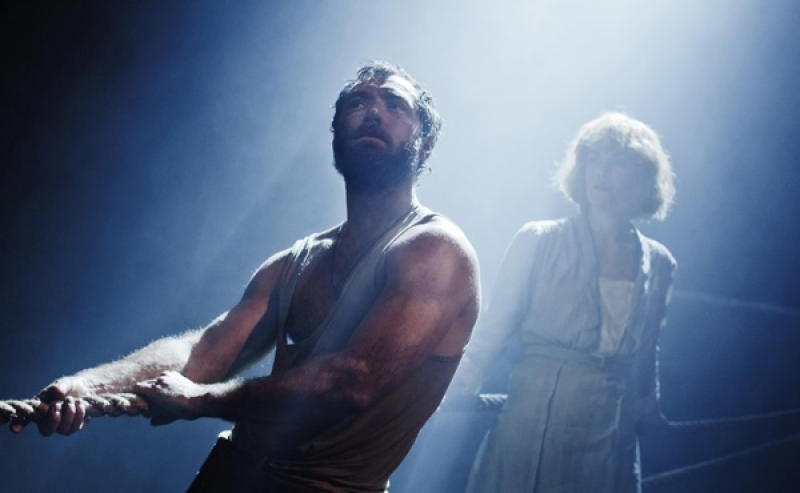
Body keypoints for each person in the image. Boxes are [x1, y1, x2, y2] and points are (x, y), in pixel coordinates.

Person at [10, 61, 480, 492]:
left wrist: (202, 400)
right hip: (230, 475)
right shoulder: (295, 262)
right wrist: (87, 386)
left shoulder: (436, 250)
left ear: (425, 142)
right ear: (336, 132)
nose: (374, 111)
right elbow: (202, 352)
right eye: (358, 102)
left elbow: (352, 381)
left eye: (395, 104)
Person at [460, 113, 676, 493]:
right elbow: (489, 336)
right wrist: (443, 396)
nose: (602, 171)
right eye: (594, 158)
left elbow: (646, 355)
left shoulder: (659, 262)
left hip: (611, 436)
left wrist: (650, 408)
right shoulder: (538, 240)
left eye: (618, 162)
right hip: (532, 429)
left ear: (644, 177)